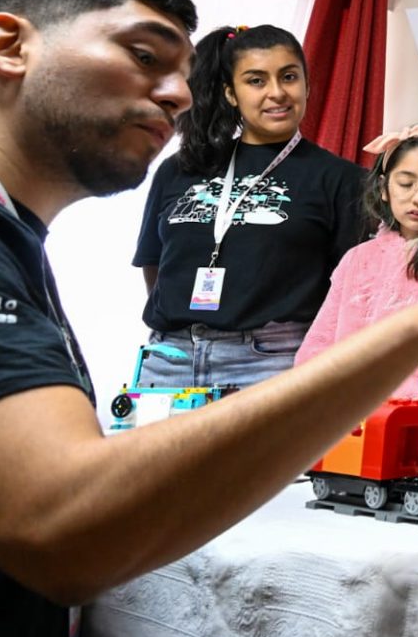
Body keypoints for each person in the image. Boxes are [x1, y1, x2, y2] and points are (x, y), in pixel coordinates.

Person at [0, 0, 418, 637]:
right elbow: (62, 533)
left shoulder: (21, 244)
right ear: (9, 45)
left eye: (182, 72)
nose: (178, 94)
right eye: (145, 56)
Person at [133, 24, 367, 389]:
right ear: (231, 93)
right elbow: (154, 262)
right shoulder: (180, 168)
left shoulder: (343, 180)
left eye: (289, 77)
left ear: (307, 84)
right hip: (168, 361)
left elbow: (352, 289)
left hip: (272, 364)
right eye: (256, 81)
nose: (277, 93)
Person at [295, 123, 418, 432]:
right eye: (405, 183)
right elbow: (319, 345)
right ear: (383, 188)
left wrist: (400, 415)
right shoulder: (357, 259)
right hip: (343, 428)